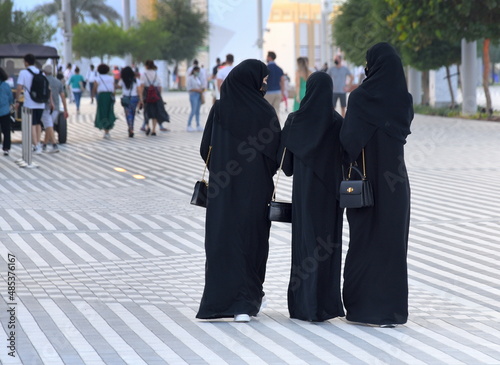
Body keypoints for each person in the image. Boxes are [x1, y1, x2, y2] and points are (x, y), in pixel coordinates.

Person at [196, 59, 281, 323]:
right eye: (263, 82)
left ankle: (219, 302)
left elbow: (204, 149)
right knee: (251, 241)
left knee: (223, 242)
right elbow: (275, 156)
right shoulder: (265, 112)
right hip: (255, 192)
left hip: (223, 191)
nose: (264, 86)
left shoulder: (220, 110)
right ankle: (245, 303)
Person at [340, 42, 413, 327]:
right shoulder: (403, 99)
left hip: (365, 184)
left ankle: (362, 308)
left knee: (364, 241)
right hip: (395, 185)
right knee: (391, 245)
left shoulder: (360, 98)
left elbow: (348, 142)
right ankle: (390, 311)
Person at [279, 72, 344, 322]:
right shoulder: (337, 122)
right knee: (328, 248)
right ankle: (325, 306)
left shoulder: (295, 120)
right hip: (331, 198)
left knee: (305, 247)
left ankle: (303, 306)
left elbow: (286, 166)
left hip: (304, 198)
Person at [15, 53, 46, 154]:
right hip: (41, 103)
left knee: (32, 124)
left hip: (29, 102)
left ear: (26, 62)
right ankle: (38, 144)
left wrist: (17, 99)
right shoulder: (41, 72)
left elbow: (19, 87)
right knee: (38, 123)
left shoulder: (23, 73)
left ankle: (36, 145)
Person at [41, 64, 68, 153]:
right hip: (55, 107)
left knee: (48, 126)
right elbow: (63, 96)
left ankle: (52, 145)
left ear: (44, 72)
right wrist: (65, 109)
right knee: (49, 125)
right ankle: (45, 144)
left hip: (45, 106)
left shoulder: (43, 81)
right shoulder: (58, 82)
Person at [139, 60, 169, 136]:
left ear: (146, 66)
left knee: (146, 111)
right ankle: (154, 130)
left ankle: (147, 126)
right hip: (155, 94)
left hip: (146, 93)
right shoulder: (156, 74)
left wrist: (141, 97)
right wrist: (159, 96)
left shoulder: (144, 74)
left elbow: (142, 86)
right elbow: (160, 86)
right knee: (155, 112)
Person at [93, 63, 116, 139]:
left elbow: (95, 88)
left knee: (102, 112)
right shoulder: (111, 78)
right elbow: (113, 88)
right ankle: (107, 130)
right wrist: (114, 96)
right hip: (110, 95)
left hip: (102, 96)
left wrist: (93, 96)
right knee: (109, 111)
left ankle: (105, 130)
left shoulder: (97, 78)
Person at [119, 66, 142, 138]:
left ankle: (130, 128)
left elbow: (119, 86)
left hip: (126, 99)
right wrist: (141, 100)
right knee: (133, 113)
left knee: (128, 114)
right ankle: (131, 128)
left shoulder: (122, 80)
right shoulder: (136, 80)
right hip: (134, 98)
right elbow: (139, 91)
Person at [264, 51, 285, 117]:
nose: (266, 58)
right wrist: (282, 93)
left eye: (267, 57)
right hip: (278, 92)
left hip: (269, 93)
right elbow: (282, 81)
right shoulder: (279, 69)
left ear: (270, 57)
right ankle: (276, 126)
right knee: (276, 113)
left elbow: (263, 81)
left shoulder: (266, 68)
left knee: (266, 112)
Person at [0, 67, 14, 156]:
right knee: (6, 130)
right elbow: (10, 99)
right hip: (5, 111)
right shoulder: (6, 85)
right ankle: (6, 148)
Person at [186, 66, 204, 132]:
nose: (198, 73)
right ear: (194, 71)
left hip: (199, 95)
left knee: (197, 111)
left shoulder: (197, 78)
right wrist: (197, 90)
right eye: (197, 71)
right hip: (193, 95)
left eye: (199, 72)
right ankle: (189, 125)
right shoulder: (190, 78)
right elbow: (189, 88)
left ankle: (198, 125)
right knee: (193, 110)